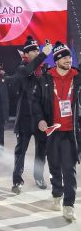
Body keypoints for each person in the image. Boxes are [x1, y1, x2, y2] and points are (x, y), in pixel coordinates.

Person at [33, 41, 81, 221]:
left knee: (69, 168)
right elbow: (35, 102)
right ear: (57, 60)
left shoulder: (77, 78)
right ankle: (57, 194)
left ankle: (68, 205)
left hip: (71, 131)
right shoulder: (45, 79)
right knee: (54, 165)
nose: (69, 60)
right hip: (52, 131)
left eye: (70, 57)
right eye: (65, 57)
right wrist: (40, 119)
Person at [11, 36, 53, 194]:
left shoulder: (43, 70)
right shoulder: (22, 69)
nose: (37, 52)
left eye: (38, 49)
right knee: (20, 151)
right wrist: (43, 54)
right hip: (24, 119)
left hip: (41, 118)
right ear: (26, 54)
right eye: (34, 50)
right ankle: (17, 180)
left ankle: (39, 176)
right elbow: (28, 71)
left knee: (41, 150)